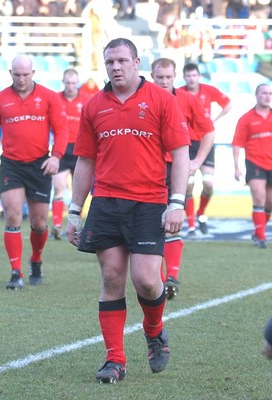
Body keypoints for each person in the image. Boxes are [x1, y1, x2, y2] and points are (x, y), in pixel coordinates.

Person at [66, 38, 190, 383]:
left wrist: (176, 202)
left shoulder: (162, 100)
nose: (116, 67)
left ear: (137, 62)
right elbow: (85, 160)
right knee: (111, 278)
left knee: (148, 281)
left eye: (122, 60)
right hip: (106, 202)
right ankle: (115, 360)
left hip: (149, 202)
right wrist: (75, 211)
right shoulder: (93, 106)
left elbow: (180, 153)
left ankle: (154, 331)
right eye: (110, 62)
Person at [0, 54, 68, 289]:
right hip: (11, 165)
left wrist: (56, 157)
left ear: (33, 73)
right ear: (10, 74)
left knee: (38, 223)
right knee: (13, 215)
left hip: (39, 165)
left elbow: (62, 130)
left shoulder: (48, 97)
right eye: (17, 75)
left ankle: (36, 259)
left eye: (26, 74)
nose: (22, 79)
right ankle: (16, 272)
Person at [151, 57, 215, 300]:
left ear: (174, 76)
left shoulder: (188, 100)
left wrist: (196, 162)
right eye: (160, 77)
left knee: (171, 220)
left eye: (168, 77)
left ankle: (171, 276)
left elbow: (208, 131)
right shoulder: (141, 99)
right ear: (152, 76)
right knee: (151, 225)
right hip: (147, 170)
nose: (165, 81)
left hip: (174, 169)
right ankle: (156, 280)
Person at [232, 83, 272, 249]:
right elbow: (236, 144)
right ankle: (261, 238)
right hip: (254, 162)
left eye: (270, 93)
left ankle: (258, 230)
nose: (267, 96)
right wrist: (237, 167)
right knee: (259, 197)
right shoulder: (246, 118)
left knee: (270, 203)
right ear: (256, 95)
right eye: (264, 93)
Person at [180, 63, 232, 236]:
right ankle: (192, 224)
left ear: (199, 76)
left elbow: (228, 104)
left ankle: (201, 213)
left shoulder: (209, 90)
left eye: (194, 75)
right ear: (184, 77)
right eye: (188, 76)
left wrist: (214, 120)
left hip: (205, 141)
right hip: (186, 142)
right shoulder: (179, 92)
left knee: (208, 183)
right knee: (188, 184)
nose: (191, 78)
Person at [51, 68, 91, 239]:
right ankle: (57, 225)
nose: (71, 86)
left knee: (79, 191)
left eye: (74, 83)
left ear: (78, 83)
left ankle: (76, 226)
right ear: (63, 82)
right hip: (61, 148)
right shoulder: (55, 100)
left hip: (80, 149)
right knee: (58, 186)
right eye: (68, 83)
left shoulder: (87, 100)